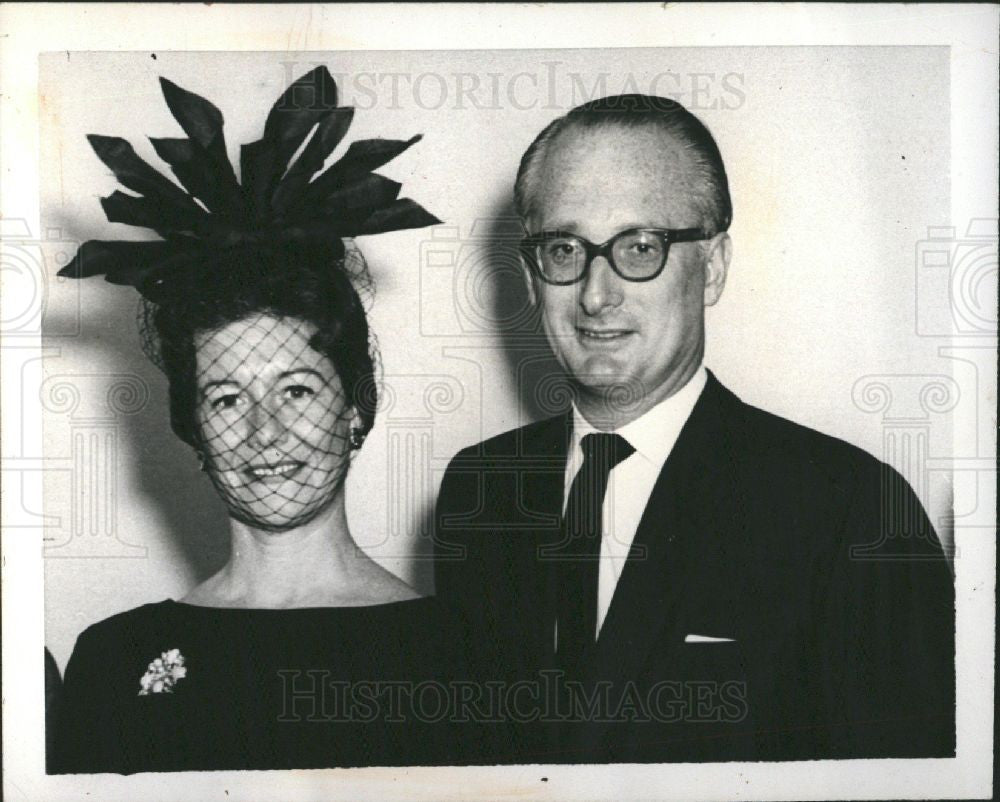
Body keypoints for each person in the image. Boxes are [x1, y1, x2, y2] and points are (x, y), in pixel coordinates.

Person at [433, 94, 955, 763]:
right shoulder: (478, 491)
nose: (596, 293)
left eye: (640, 247)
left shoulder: (853, 510)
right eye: (565, 248)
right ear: (533, 275)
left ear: (712, 266)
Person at [52, 67, 475, 773]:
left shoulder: (465, 657)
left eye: (298, 391)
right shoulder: (112, 660)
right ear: (193, 432)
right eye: (226, 398)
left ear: (354, 410)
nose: (264, 432)